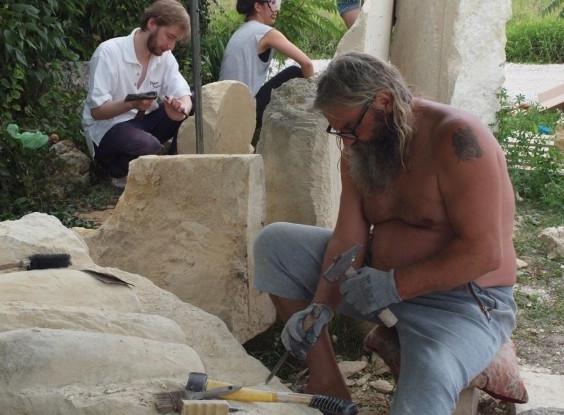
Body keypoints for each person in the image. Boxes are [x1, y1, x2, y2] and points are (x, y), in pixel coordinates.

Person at [253, 52, 518, 415]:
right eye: (337, 130)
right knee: (276, 244)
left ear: (383, 103)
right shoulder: (361, 147)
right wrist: (320, 307)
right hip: (378, 283)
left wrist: (395, 285)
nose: (345, 141)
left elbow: (485, 253)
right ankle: (329, 385)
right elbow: (349, 239)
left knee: (430, 376)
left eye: (349, 127)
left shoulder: (457, 138)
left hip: (461, 302)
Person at [82, 0, 193, 189]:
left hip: (145, 123)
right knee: (147, 145)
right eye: (169, 37)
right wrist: (132, 104)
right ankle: (117, 171)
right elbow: (97, 111)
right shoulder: (108, 52)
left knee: (198, 102)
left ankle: (175, 167)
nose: (170, 46)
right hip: (109, 128)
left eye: (175, 41)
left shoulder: (165, 57)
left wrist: (181, 110)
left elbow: (184, 94)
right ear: (152, 24)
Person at [219, 0, 314, 133]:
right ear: (258, 6)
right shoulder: (265, 33)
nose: (276, 9)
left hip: (224, 110)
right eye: (272, 3)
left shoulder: (242, 30)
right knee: (294, 72)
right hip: (245, 113)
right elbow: (307, 64)